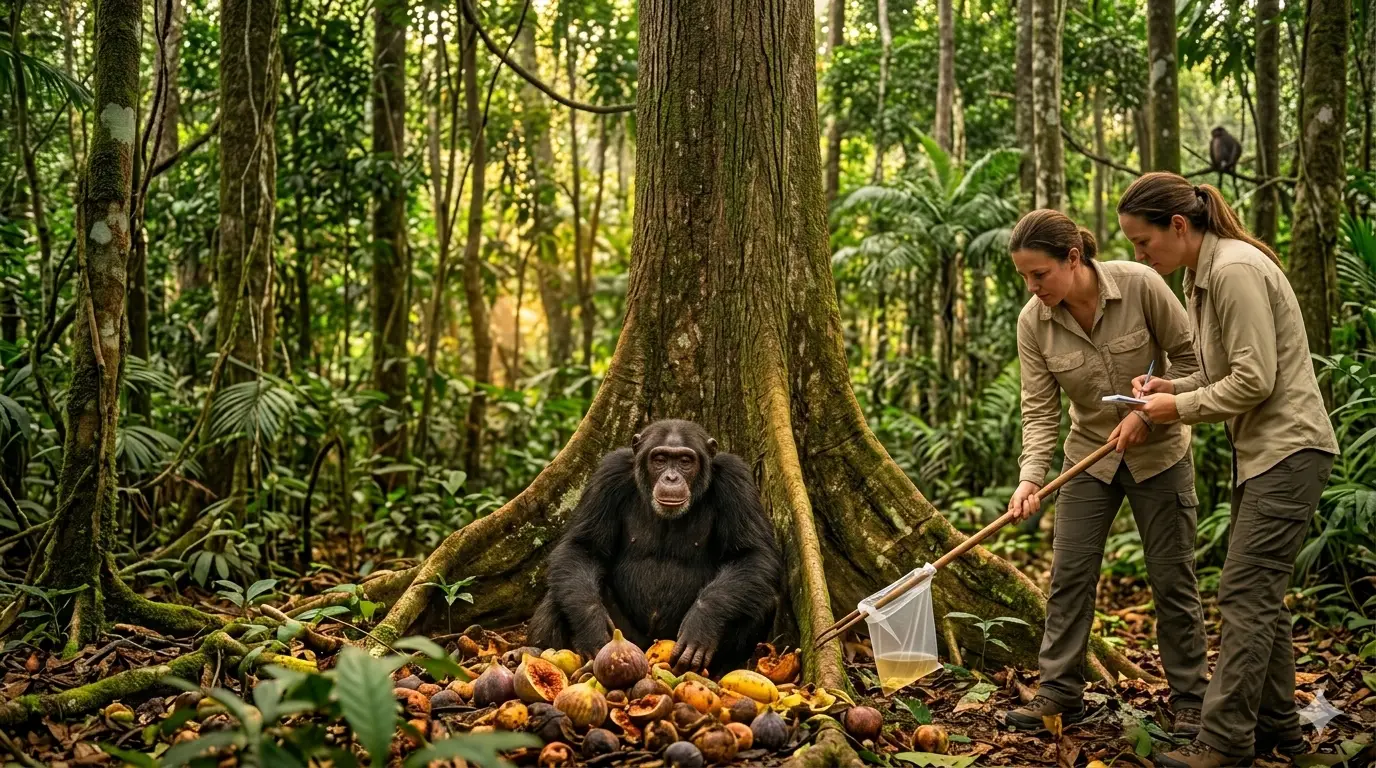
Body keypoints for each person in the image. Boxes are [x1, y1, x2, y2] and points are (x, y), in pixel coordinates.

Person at [1118, 173, 1339, 768]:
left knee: (1244, 593)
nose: (1141, 256)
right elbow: (1224, 371)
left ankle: (1225, 743)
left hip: (1289, 449)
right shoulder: (1202, 276)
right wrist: (1171, 386)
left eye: (1144, 243)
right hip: (1265, 454)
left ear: (1180, 226)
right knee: (1262, 596)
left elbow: (1254, 380)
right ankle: (1282, 734)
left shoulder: (1234, 269)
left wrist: (1176, 408)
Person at [1003, 209, 1209, 736]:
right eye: (1024, 276)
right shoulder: (1033, 321)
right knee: (1069, 575)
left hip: (1160, 454)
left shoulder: (1141, 285)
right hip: (1088, 457)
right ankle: (1059, 691)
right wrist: (1030, 479)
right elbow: (1040, 410)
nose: (1032, 287)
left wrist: (1156, 409)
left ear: (1073, 258)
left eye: (1039, 274)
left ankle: (1191, 697)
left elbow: (1197, 362)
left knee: (1172, 578)